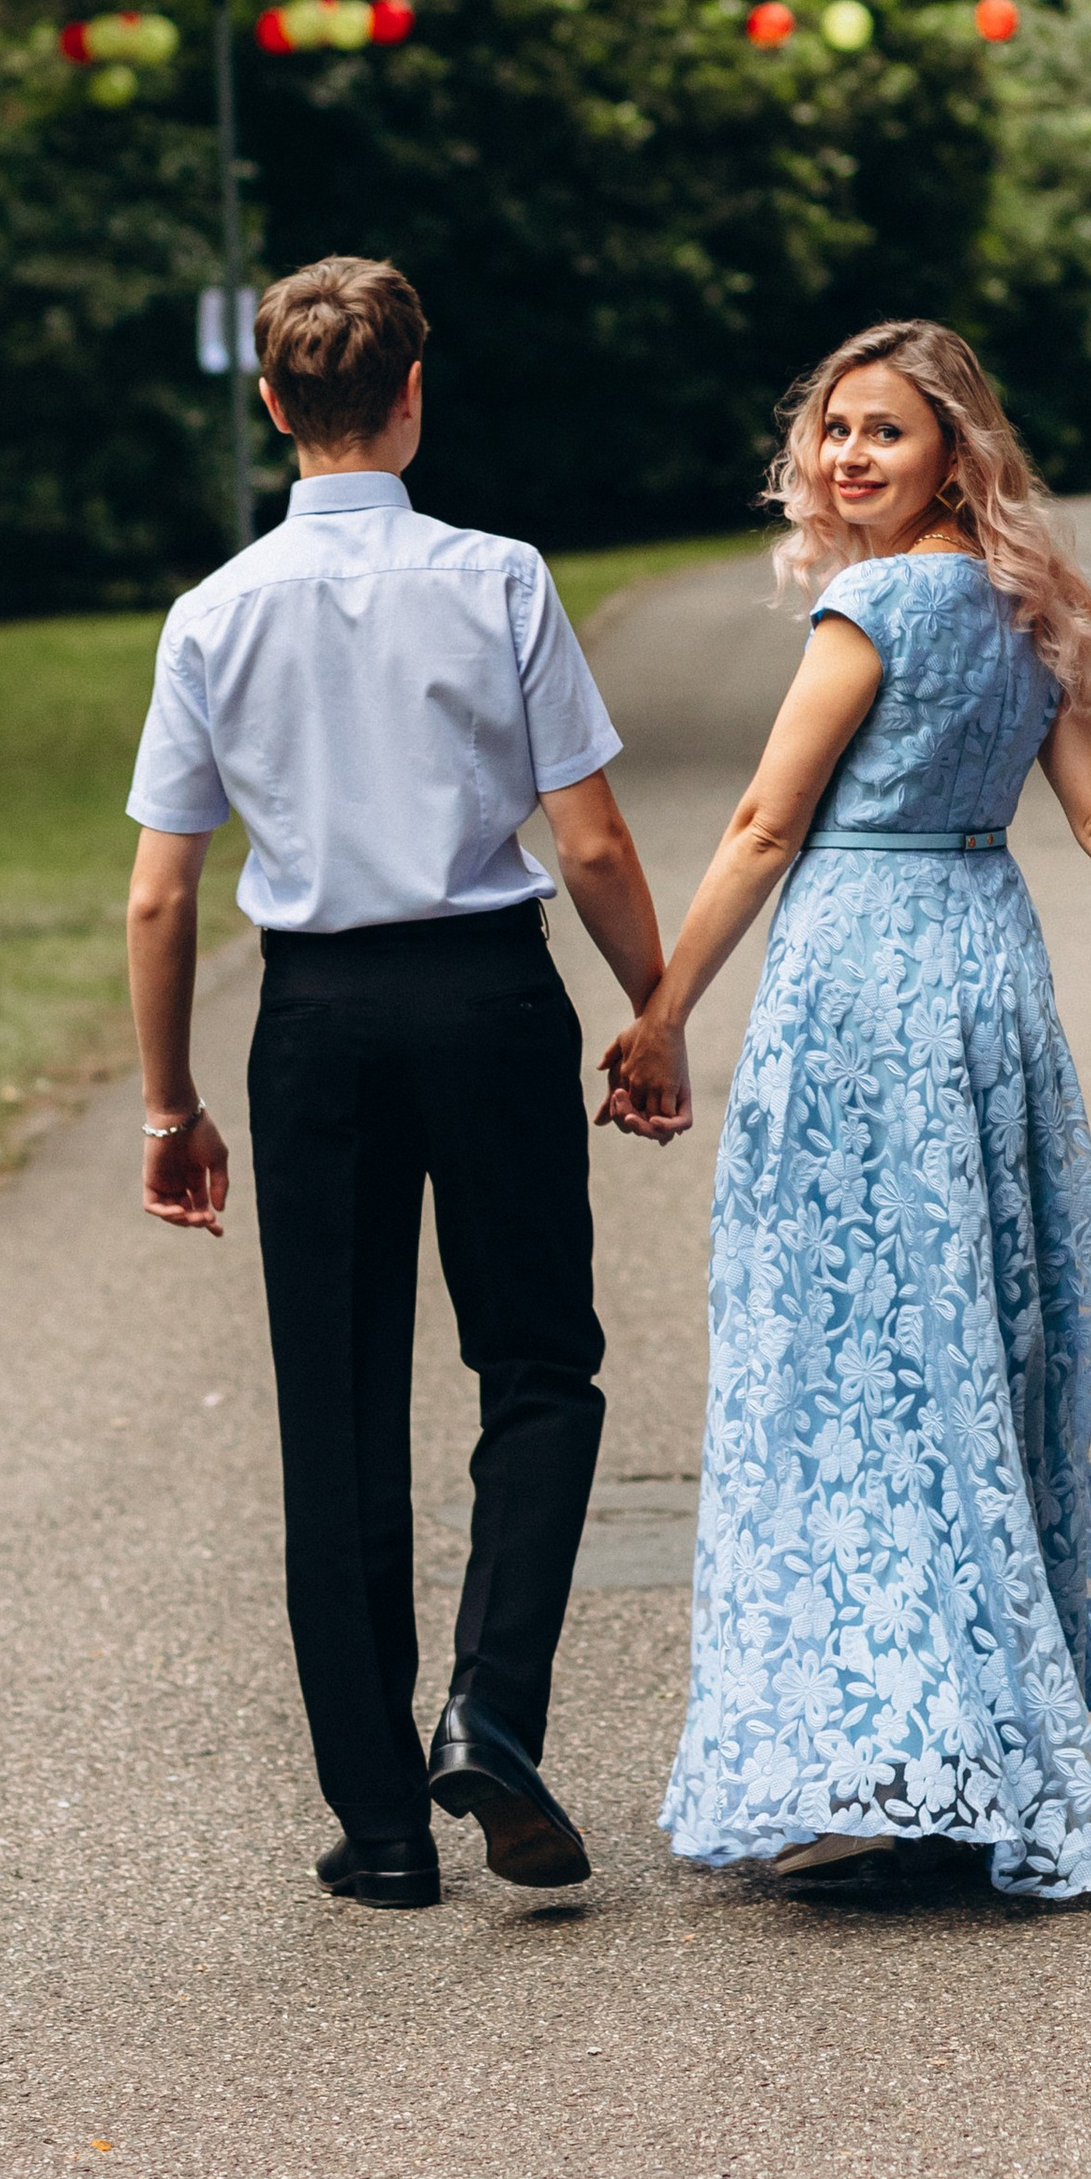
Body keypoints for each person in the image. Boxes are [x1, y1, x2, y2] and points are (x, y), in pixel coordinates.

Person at [608, 318, 1091, 1907]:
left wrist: (662, 1012)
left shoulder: (863, 610)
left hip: (864, 985)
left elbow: (759, 822)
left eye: (883, 432)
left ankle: (885, 1736)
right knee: (961, 1344)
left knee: (856, 1354)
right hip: (982, 977)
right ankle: (945, 1732)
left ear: (954, 450)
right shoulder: (1022, 608)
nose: (848, 457)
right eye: (832, 431)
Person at [124, 255, 668, 1914]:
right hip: (489, 1001)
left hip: (320, 1026)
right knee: (539, 1367)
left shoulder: (214, 612)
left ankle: (376, 1825)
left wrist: (171, 1108)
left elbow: (159, 892)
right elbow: (588, 839)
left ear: (276, 405)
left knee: (340, 1410)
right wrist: (652, 1012)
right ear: (416, 393)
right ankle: (491, 1711)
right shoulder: (499, 580)